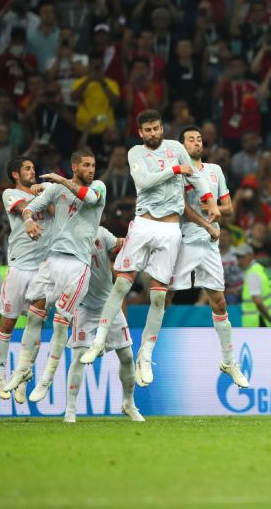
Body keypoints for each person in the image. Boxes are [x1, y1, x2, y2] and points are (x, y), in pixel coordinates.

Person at [80, 111, 217, 388]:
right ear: (140, 132)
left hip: (170, 230)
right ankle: (99, 340)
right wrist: (175, 170)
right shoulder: (135, 153)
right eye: (148, 130)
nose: (153, 133)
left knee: (158, 297)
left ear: (162, 128)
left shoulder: (176, 148)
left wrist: (209, 199)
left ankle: (146, 354)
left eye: (156, 128)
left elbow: (196, 176)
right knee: (120, 285)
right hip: (143, 225)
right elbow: (143, 182)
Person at [3, 149, 106, 395]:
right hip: (52, 260)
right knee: (35, 314)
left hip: (78, 265)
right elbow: (30, 208)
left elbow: (89, 199)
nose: (91, 170)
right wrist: (28, 221)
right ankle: (23, 369)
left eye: (93, 165)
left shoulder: (99, 187)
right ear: (74, 166)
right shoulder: (55, 190)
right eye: (86, 166)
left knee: (61, 322)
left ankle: (47, 378)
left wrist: (60, 180)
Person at [166, 125, 248, 387]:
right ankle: (144, 353)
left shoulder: (214, 171)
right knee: (163, 295)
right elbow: (181, 207)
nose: (196, 142)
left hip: (209, 246)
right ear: (181, 146)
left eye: (199, 139)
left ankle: (228, 361)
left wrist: (214, 208)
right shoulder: (179, 173)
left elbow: (229, 207)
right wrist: (207, 222)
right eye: (190, 139)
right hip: (183, 240)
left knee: (220, 303)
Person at [60, 226, 142, 422]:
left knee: (127, 356)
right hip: (84, 306)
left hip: (109, 305)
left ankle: (129, 404)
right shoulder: (66, 235)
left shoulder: (102, 233)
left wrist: (130, 240)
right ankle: (70, 410)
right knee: (79, 357)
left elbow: (118, 246)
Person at [0, 156, 52, 402]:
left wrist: (46, 191)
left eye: (33, 168)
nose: (32, 171)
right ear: (16, 174)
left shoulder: (44, 191)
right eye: (27, 168)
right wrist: (39, 199)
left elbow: (53, 209)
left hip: (42, 269)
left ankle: (23, 374)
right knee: (8, 323)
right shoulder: (9, 193)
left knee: (35, 326)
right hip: (18, 267)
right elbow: (21, 209)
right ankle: (0, 374)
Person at [237, 243, 271, 327]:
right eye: (238, 257)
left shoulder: (252, 273)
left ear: (251, 256)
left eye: (242, 257)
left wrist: (270, 319)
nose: (240, 261)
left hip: (258, 321)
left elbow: (257, 300)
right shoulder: (259, 269)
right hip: (263, 319)